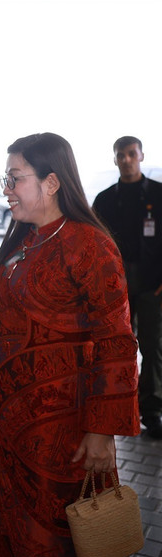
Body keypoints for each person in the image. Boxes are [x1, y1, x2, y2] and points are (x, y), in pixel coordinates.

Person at [0, 133, 140, 557]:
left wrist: (102, 431)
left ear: (52, 182)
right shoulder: (28, 239)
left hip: (61, 433)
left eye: (15, 178)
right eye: (7, 178)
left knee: (56, 549)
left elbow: (117, 341)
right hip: (4, 427)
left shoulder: (90, 246)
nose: (7, 189)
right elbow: (4, 325)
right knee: (4, 536)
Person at [92, 136, 162, 440]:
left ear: (141, 155)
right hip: (115, 287)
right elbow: (94, 245)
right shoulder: (105, 200)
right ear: (115, 159)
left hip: (151, 284)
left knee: (152, 347)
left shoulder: (158, 195)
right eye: (121, 155)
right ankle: (119, 407)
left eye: (132, 154)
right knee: (116, 348)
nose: (127, 160)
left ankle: (152, 411)